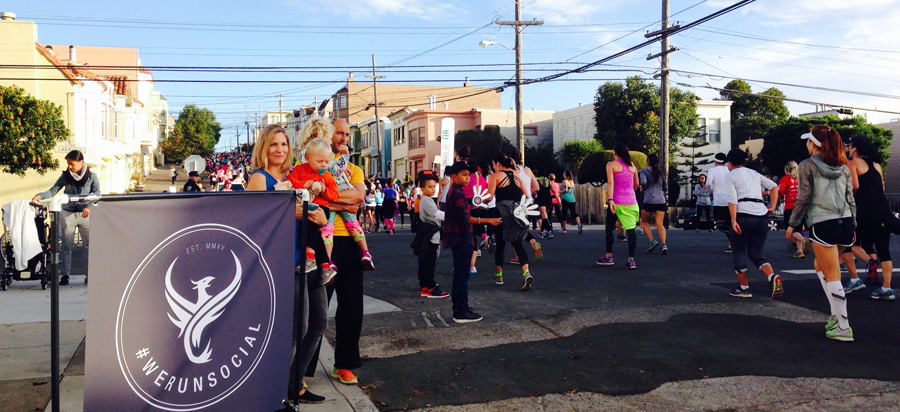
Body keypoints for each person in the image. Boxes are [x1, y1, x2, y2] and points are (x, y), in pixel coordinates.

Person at [247, 124, 329, 405]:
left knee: (319, 323)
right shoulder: (259, 178)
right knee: (297, 329)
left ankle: (295, 382)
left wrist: (319, 217)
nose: (279, 150)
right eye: (273, 145)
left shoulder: (293, 176)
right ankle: (279, 391)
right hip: (282, 263)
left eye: (283, 144)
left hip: (307, 257)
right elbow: (258, 221)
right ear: (263, 148)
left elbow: (323, 199)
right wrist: (298, 212)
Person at [787, 126, 855, 341]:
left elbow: (804, 198)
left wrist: (792, 225)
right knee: (821, 266)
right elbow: (850, 198)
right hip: (845, 222)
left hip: (824, 223)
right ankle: (836, 316)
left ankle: (843, 326)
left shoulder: (807, 165)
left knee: (832, 273)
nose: (806, 144)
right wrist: (854, 224)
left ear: (814, 144)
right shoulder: (843, 166)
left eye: (808, 141)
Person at [314, 119, 368, 386]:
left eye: (348, 134)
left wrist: (327, 198)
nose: (345, 137)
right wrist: (338, 198)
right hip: (323, 242)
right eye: (340, 132)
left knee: (351, 308)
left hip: (350, 243)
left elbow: (357, 199)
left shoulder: (354, 169)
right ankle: (303, 368)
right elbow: (311, 198)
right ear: (327, 134)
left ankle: (344, 365)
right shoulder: (314, 163)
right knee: (316, 309)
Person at [842, 135, 900, 300]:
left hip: (864, 211)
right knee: (883, 249)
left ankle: (868, 263)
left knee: (849, 243)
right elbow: (881, 186)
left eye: (849, 146)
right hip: (882, 210)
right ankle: (886, 288)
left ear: (855, 147)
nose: (847, 149)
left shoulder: (852, 163)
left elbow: (854, 186)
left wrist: (847, 198)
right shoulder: (876, 165)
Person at [444, 161, 501, 323]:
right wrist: (488, 220)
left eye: (469, 175)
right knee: (463, 275)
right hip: (461, 238)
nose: (468, 178)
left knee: (461, 274)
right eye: (464, 175)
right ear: (454, 177)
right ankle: (460, 311)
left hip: (461, 238)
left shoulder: (456, 191)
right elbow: (466, 218)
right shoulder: (456, 192)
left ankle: (460, 307)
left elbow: (465, 211)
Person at [33, 150, 100, 286]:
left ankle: (89, 275)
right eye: (68, 163)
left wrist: (89, 206)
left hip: (85, 214)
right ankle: (65, 275)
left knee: (88, 246)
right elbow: (53, 191)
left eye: (72, 163)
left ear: (81, 162)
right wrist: (39, 196)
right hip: (68, 213)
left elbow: (97, 194)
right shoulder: (65, 176)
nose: (69, 166)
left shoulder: (92, 177)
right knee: (66, 245)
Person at [723, 148, 782, 300]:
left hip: (743, 214)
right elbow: (774, 187)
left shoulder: (730, 176)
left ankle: (744, 288)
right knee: (756, 252)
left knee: (738, 251)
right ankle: (771, 277)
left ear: (729, 163)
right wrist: (772, 207)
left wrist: (734, 220)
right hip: (761, 215)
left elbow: (732, 200)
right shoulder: (754, 173)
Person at [286, 138, 341, 285]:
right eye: (320, 161)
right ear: (307, 158)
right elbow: (291, 183)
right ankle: (325, 266)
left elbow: (334, 196)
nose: (324, 165)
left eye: (326, 161)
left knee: (309, 227)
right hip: (305, 204)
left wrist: (323, 190)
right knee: (316, 236)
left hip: (321, 207)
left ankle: (310, 259)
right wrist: (303, 184)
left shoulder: (327, 176)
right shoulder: (299, 170)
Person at [487, 153, 533, 290]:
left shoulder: (495, 176)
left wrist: (480, 201)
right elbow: (526, 195)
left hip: (501, 211)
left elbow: (489, 197)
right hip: (517, 211)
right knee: (517, 243)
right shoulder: (518, 177)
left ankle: (499, 275)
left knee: (500, 244)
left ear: (497, 164)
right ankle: (526, 273)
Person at [597, 144, 640, 269]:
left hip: (616, 202)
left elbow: (610, 182)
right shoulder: (632, 166)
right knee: (631, 230)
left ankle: (609, 256)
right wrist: (629, 192)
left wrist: (610, 200)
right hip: (632, 202)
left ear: (615, 153)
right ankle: (631, 260)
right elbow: (636, 184)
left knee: (609, 228)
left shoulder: (611, 164)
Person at [412, 172, 449, 298]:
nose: (433, 189)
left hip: (428, 235)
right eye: (430, 187)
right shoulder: (427, 201)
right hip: (430, 236)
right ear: (422, 189)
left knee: (425, 262)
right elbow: (437, 214)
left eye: (434, 186)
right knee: (429, 263)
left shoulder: (425, 200)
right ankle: (431, 288)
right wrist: (453, 217)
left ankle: (425, 286)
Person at [638, 154, 669, 254]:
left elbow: (643, 182)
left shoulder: (643, 171)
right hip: (661, 200)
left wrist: (643, 188)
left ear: (648, 161)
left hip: (649, 200)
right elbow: (665, 187)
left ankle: (652, 241)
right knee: (659, 223)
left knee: (643, 221)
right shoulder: (660, 173)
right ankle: (663, 244)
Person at [778, 161, 806, 258]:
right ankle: (800, 250)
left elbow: (780, 191)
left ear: (786, 170)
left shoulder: (784, 179)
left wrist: (781, 197)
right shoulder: (801, 179)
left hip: (790, 206)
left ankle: (803, 240)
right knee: (798, 229)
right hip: (801, 206)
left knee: (789, 230)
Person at [706, 153, 732, 252]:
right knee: (729, 223)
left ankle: (732, 241)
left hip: (719, 200)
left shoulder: (712, 170)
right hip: (730, 200)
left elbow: (708, 183)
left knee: (720, 224)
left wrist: (710, 191)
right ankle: (732, 242)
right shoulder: (729, 170)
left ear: (715, 162)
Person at [559, 170, 583, 234]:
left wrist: (559, 192)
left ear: (565, 175)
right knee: (574, 212)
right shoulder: (572, 182)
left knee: (564, 213)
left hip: (565, 198)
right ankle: (579, 224)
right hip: (572, 199)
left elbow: (565, 189)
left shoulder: (564, 181)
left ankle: (564, 229)